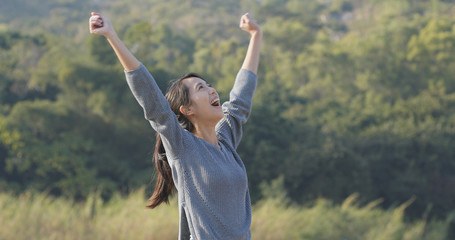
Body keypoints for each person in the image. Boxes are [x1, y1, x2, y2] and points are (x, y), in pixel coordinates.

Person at [89, 11, 262, 240]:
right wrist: (111, 35)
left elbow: (241, 98)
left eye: (209, 85)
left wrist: (256, 36)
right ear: (186, 110)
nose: (212, 90)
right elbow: (150, 98)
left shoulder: (226, 139)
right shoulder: (183, 147)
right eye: (201, 88)